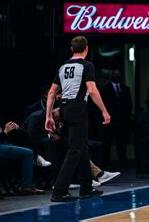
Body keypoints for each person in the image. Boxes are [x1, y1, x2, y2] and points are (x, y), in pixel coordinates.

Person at [45, 36, 111, 202]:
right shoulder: (87, 65)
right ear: (86, 48)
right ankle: (59, 190)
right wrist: (104, 111)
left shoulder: (63, 66)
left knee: (81, 147)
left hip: (64, 108)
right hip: (77, 108)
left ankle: (86, 188)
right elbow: (92, 90)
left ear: (71, 48)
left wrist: (48, 116)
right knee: (75, 150)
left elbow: (52, 93)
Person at [0, 104, 45, 195]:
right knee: (27, 153)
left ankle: (37, 156)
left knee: (22, 134)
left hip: (2, 144)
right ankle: (27, 186)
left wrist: (13, 128)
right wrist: (5, 132)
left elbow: (1, 136)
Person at [100, 69, 132, 163]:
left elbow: (129, 104)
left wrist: (127, 116)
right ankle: (106, 160)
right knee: (107, 141)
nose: (116, 77)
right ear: (111, 76)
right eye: (115, 75)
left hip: (122, 120)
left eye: (118, 75)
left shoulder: (125, 88)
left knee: (122, 141)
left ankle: (122, 160)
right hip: (110, 119)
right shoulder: (105, 89)